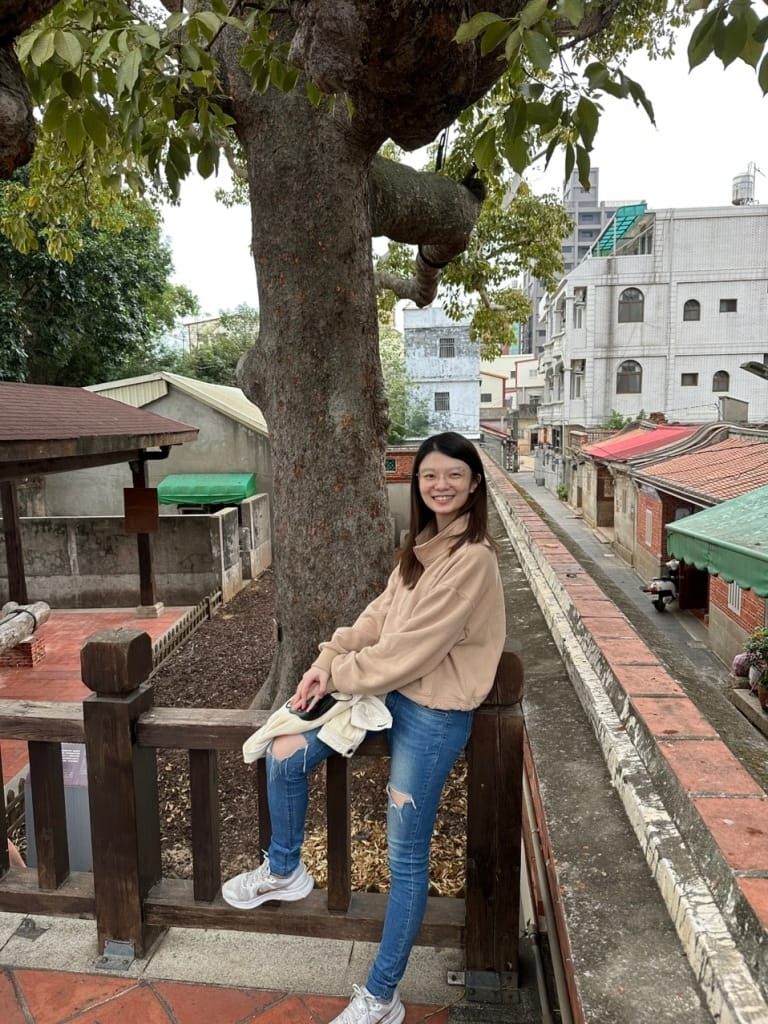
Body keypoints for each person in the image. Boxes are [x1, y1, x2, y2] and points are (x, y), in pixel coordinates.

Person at [222, 432, 506, 1024]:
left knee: (405, 857)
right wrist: (326, 660)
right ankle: (284, 868)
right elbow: (379, 616)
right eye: (429, 475)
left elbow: (411, 649)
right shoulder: (421, 546)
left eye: (454, 475)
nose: (441, 486)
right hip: (389, 693)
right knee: (283, 750)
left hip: (434, 714)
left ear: (474, 483)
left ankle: (381, 995)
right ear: (416, 483)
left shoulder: (472, 559)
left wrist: (341, 674)